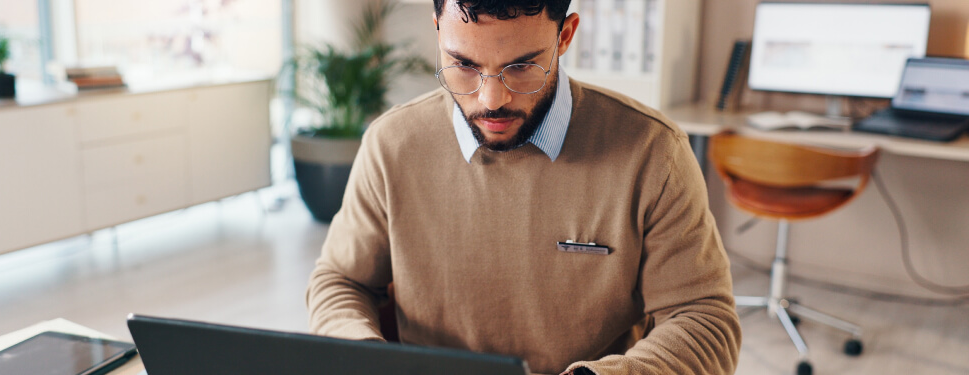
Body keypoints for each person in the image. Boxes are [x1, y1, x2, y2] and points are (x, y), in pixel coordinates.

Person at [306, 1, 741, 374]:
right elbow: (341, 281)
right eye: (464, 65)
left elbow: (703, 318)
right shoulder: (391, 144)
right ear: (438, 31)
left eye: (521, 66)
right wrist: (366, 358)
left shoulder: (653, 152)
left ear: (565, 36)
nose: (491, 99)